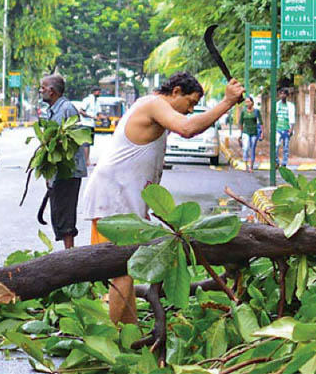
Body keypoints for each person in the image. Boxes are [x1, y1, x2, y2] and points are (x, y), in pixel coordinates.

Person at [82, 72, 244, 325]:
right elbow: (187, 129)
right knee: (120, 271)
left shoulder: (154, 108)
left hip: (123, 198)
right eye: (190, 103)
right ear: (176, 91)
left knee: (127, 270)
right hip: (113, 197)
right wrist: (227, 102)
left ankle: (130, 331)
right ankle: (117, 340)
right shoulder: (154, 104)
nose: (190, 110)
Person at [39, 74, 87, 250]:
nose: (40, 91)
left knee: (66, 213)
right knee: (58, 212)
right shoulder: (52, 110)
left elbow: (76, 138)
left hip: (69, 170)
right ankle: (67, 253)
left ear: (52, 91)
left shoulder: (67, 108)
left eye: (43, 88)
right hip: (57, 170)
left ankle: (70, 253)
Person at [238, 96, 262, 173]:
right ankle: (245, 165)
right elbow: (241, 123)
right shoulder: (243, 112)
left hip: (254, 132)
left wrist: (262, 132)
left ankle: (251, 166)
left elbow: (261, 122)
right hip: (245, 132)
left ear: (252, 102)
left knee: (253, 149)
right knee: (246, 148)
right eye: (246, 102)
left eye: (249, 102)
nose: (247, 103)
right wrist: (241, 134)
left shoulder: (256, 111)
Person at [274, 89, 296, 167]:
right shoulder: (276, 105)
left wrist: (291, 129)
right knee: (276, 146)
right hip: (278, 128)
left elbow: (292, 118)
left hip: (286, 129)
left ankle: (284, 163)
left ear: (287, 95)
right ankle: (276, 161)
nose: (282, 95)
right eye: (281, 94)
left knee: (285, 148)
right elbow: (274, 117)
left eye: (284, 94)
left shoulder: (290, 106)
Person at [80, 86, 101, 165]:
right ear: (94, 92)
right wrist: (91, 117)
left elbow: (98, 113)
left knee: (89, 143)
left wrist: (103, 118)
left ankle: (87, 160)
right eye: (98, 92)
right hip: (86, 124)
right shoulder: (87, 100)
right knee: (86, 143)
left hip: (92, 124)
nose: (99, 93)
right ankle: (86, 161)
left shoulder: (97, 101)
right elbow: (81, 111)